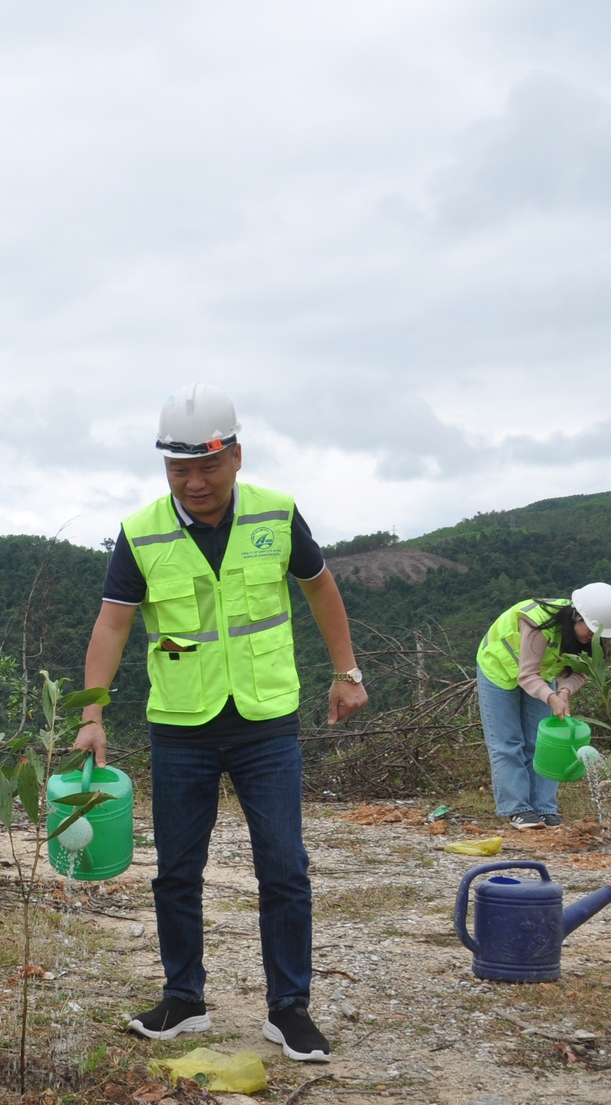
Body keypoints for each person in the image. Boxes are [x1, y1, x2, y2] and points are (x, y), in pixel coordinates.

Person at [73, 383, 367, 1063]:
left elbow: (320, 585)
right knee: (177, 870)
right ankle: (183, 999)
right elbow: (112, 623)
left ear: (236, 455)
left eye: (208, 466)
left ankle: (288, 1009)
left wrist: (347, 671)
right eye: (180, 470)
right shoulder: (141, 530)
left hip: (266, 720)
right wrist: (92, 714)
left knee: (285, 866)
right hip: (182, 724)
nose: (195, 482)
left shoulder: (276, 514)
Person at [475, 586, 611, 829]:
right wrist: (551, 697)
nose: (594, 636)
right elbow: (527, 674)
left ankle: (544, 809)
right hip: (498, 669)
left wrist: (563, 692)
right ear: (577, 615)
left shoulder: (586, 637)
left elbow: (579, 673)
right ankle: (518, 809)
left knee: (542, 742)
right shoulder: (538, 622)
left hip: (540, 677)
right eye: (592, 629)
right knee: (508, 744)